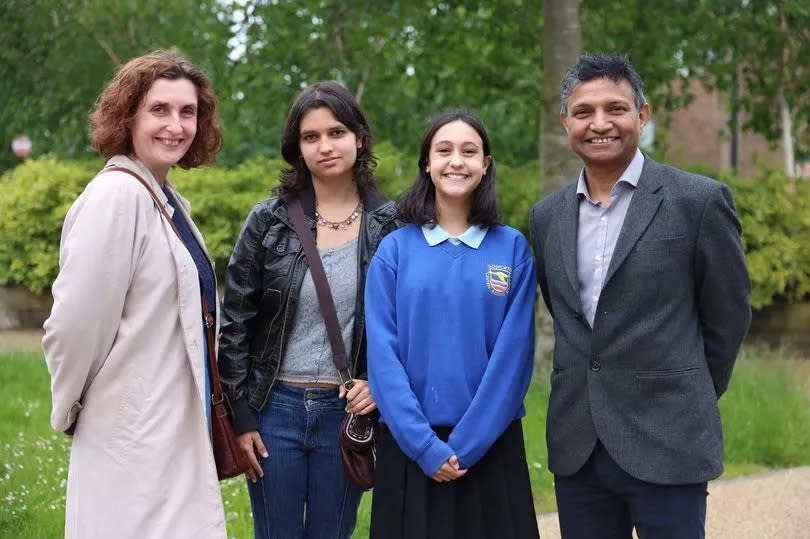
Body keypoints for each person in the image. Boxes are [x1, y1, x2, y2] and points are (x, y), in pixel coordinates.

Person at [529, 54, 751, 538]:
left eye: (616, 109)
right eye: (584, 112)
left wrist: (686, 390)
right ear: (566, 121)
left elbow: (728, 317)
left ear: (642, 116)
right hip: (578, 446)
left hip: (669, 439)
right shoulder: (546, 218)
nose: (600, 123)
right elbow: (571, 319)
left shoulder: (699, 201)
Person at [42, 48, 226, 538]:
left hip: (171, 430)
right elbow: (74, 327)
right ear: (128, 118)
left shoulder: (166, 200)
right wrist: (70, 411)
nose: (176, 125)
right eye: (159, 110)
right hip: (129, 434)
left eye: (188, 112)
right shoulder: (116, 196)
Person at [217, 80, 398, 539]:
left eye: (336, 132)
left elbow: (407, 328)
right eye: (310, 137)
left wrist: (378, 383)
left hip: (346, 414)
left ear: (359, 137)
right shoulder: (268, 220)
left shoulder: (393, 225)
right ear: (297, 148)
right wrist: (242, 416)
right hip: (274, 409)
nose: (325, 146)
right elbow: (236, 321)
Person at [364, 110, 539, 539]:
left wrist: (466, 446)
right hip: (411, 449)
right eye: (444, 150)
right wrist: (424, 446)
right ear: (427, 162)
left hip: (490, 446)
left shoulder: (512, 248)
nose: (455, 161)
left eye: (469, 151)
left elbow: (513, 360)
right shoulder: (395, 250)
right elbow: (383, 358)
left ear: (486, 165)